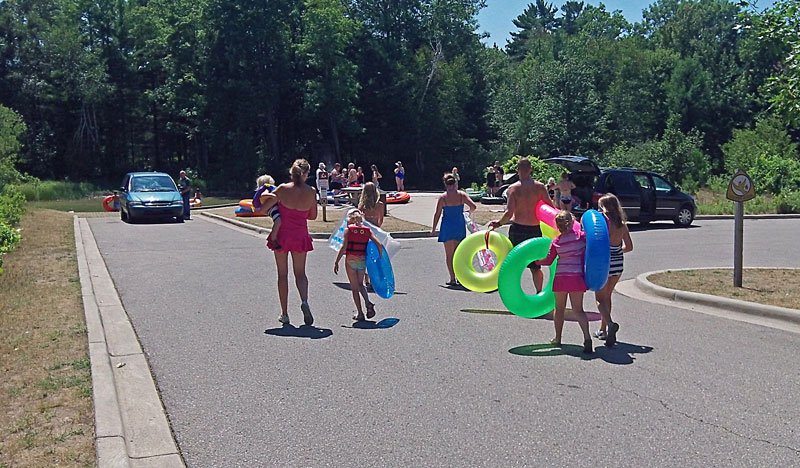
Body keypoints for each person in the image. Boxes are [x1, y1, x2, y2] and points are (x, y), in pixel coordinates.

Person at [257, 159, 317, 326]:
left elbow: (262, 209)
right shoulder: (311, 192)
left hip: (282, 235)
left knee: (282, 275)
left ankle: (284, 313)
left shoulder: (282, 189)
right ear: (306, 174)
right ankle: (304, 302)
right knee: (301, 274)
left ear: (292, 173)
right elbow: (313, 216)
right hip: (300, 235)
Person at [488, 157, 551, 293]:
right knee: (535, 267)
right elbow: (550, 208)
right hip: (534, 230)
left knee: (514, 264)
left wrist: (498, 223)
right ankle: (539, 293)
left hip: (518, 229)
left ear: (517, 170)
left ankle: (512, 294)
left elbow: (509, 213)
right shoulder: (540, 187)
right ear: (531, 169)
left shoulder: (513, 189)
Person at [535, 210, 593, 354]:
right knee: (578, 310)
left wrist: (537, 261)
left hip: (561, 278)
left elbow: (548, 261)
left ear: (557, 226)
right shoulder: (582, 238)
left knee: (559, 309)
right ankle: (587, 338)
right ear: (573, 222)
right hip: (576, 278)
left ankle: (558, 338)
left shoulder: (557, 241)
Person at [594, 194, 633, 347]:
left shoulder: (602, 223)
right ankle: (602, 331)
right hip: (617, 264)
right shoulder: (622, 225)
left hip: (604, 264)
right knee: (607, 297)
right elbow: (629, 247)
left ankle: (609, 324)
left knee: (599, 299)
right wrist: (617, 251)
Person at [334, 210, 383, 321]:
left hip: (350, 260)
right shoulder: (367, 231)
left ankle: (360, 313)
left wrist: (337, 261)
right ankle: (368, 302)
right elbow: (378, 244)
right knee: (361, 284)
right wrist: (380, 257)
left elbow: (344, 247)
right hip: (362, 261)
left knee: (354, 288)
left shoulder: (348, 230)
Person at [430, 173, 477, 286]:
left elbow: (437, 214)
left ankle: (452, 278)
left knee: (449, 255)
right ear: (455, 183)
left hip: (447, 226)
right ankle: (461, 277)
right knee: (459, 254)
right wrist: (467, 213)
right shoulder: (462, 195)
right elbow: (473, 206)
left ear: (445, 184)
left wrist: (433, 228)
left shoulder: (443, 198)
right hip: (459, 226)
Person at [358, 182, 385, 289]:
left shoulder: (362, 206)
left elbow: (360, 220)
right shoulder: (380, 205)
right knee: (375, 256)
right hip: (376, 232)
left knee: (365, 256)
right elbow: (381, 219)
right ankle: (374, 280)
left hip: (364, 233)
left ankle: (366, 280)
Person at [255, 175, 282, 249]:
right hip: (271, 208)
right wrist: (273, 196)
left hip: (271, 207)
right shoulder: (266, 189)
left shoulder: (267, 188)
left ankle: (274, 237)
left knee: (278, 220)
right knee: (278, 221)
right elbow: (263, 195)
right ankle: (273, 239)